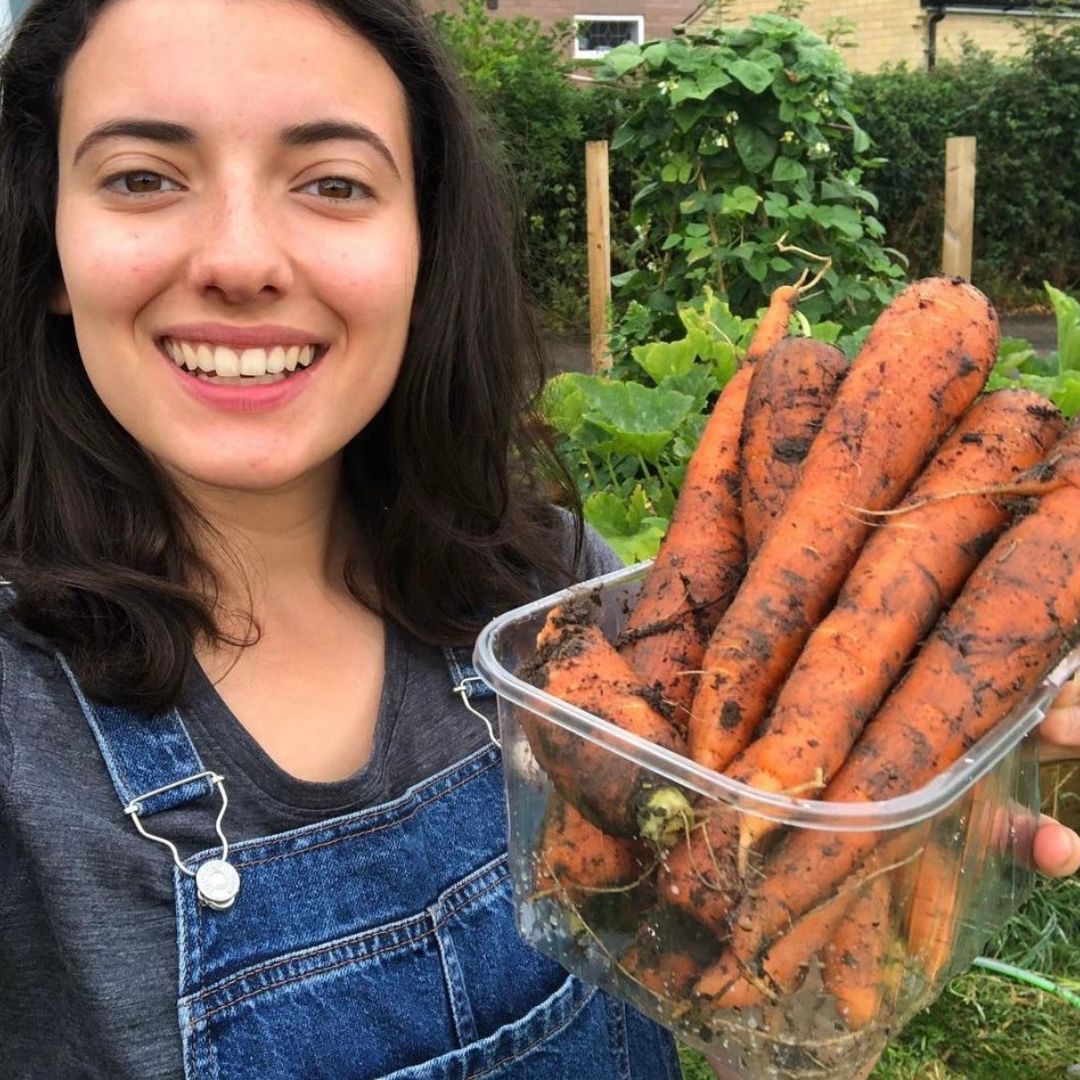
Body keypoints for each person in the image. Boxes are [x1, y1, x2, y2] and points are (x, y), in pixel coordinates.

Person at [0, 2, 1074, 1079]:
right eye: (141, 176)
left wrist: (904, 812)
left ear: (425, 245)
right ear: (48, 245)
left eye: (333, 182)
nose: (240, 260)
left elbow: (705, 987)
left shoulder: (562, 592)